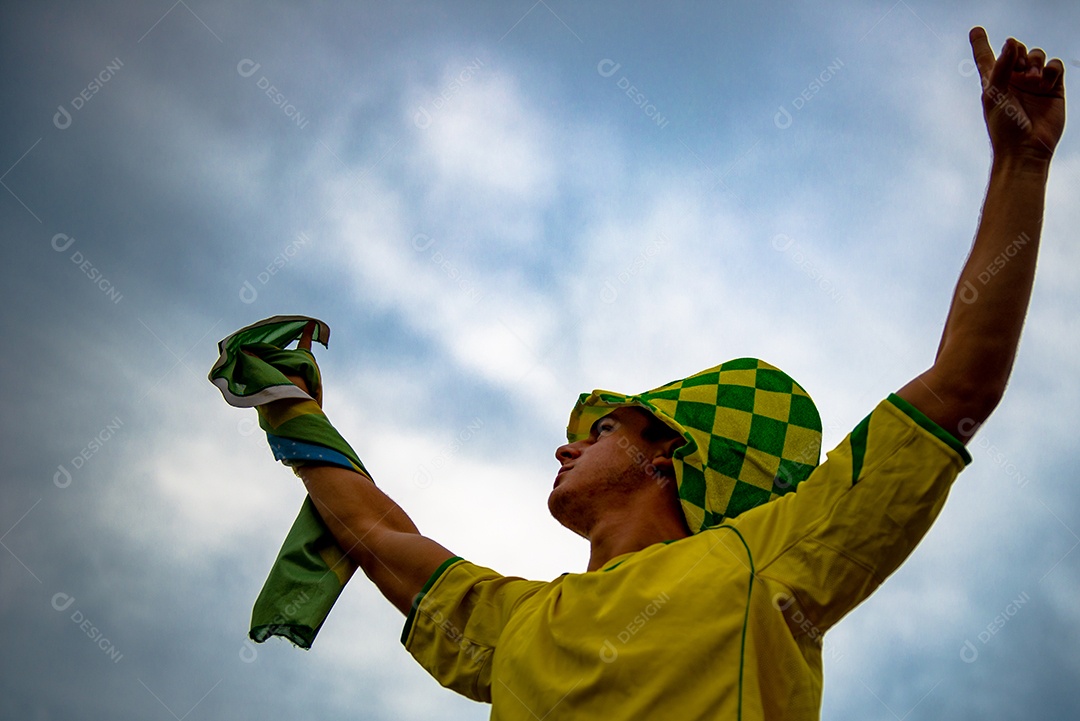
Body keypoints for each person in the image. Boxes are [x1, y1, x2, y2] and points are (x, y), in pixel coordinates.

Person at [254, 27, 1066, 720]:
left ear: (669, 454)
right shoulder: (515, 623)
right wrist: (282, 401)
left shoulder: (767, 553)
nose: (566, 450)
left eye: (601, 431)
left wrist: (1020, 166)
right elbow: (374, 529)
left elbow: (960, 384)